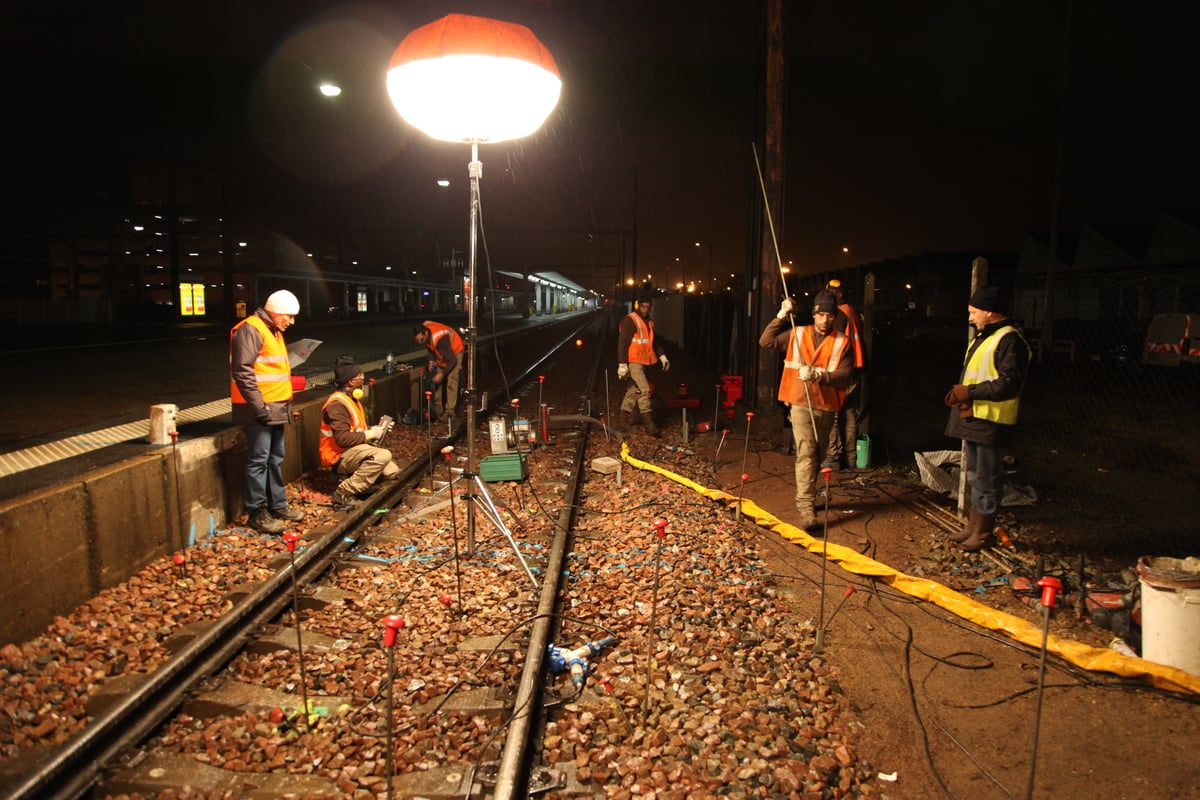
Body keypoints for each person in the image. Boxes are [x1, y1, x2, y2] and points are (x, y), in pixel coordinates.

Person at [943, 286, 1031, 552]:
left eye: (974, 312)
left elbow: (1008, 384)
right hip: (975, 419)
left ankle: (984, 532)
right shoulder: (984, 337)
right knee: (974, 475)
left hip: (992, 422)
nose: (970, 317)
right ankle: (973, 526)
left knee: (988, 478)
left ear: (989, 311)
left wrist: (969, 392)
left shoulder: (1009, 340)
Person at [759, 291, 854, 531]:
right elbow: (766, 341)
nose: (825, 319)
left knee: (818, 455)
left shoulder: (842, 342)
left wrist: (820, 375)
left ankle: (808, 494)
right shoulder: (797, 333)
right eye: (821, 314)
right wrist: (781, 315)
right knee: (807, 452)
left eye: (829, 315)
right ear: (813, 314)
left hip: (826, 406)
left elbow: (845, 375)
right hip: (800, 403)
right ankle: (806, 507)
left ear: (834, 317)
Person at [230, 289, 306, 535]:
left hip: (274, 407)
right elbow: (242, 371)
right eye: (289, 316)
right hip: (260, 409)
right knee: (259, 460)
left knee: (274, 458)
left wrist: (284, 407)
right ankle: (257, 511)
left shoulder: (272, 330)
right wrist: (259, 406)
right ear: (275, 312)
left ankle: (278, 505)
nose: (291, 322)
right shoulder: (250, 329)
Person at [320, 359, 400, 510]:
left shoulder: (351, 400)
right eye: (360, 376)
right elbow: (343, 439)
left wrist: (376, 429)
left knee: (391, 471)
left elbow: (356, 429)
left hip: (354, 450)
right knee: (383, 456)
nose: (362, 379)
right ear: (350, 382)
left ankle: (358, 484)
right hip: (339, 456)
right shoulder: (337, 405)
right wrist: (370, 433)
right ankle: (343, 493)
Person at [823, 279, 867, 469]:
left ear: (838, 294)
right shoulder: (852, 312)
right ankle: (851, 457)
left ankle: (833, 457)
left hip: (841, 371)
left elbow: (832, 344)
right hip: (854, 369)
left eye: (830, 294)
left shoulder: (839, 315)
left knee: (833, 413)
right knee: (848, 413)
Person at [616, 297, 670, 436]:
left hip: (642, 360)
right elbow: (622, 342)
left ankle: (622, 423)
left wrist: (661, 355)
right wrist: (622, 364)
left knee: (633, 391)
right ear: (637, 306)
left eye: (648, 307)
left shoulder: (648, 321)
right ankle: (650, 426)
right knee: (645, 390)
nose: (645, 310)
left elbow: (653, 341)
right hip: (634, 361)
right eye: (643, 307)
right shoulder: (630, 320)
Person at [412, 321, 464, 418]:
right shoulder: (425, 330)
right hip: (443, 352)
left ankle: (449, 411)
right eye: (418, 341)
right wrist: (431, 360)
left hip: (455, 351)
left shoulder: (440, 340)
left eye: (422, 340)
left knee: (451, 381)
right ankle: (438, 411)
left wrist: (442, 374)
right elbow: (429, 345)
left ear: (426, 333)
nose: (421, 342)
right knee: (436, 383)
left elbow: (453, 360)